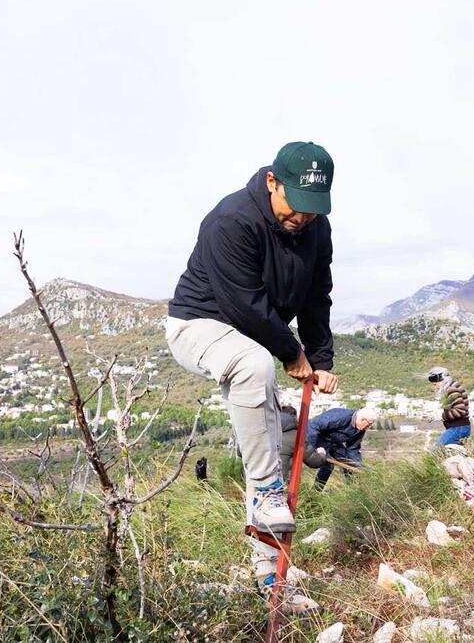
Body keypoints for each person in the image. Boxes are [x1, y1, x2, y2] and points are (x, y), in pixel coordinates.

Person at [166, 141, 339, 613]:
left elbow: (316, 297)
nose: (302, 217)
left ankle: (270, 577)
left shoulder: (315, 229)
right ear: (271, 181)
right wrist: (291, 353)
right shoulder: (232, 220)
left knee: (275, 435)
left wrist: (320, 359)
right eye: (295, 204)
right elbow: (243, 303)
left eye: (312, 209)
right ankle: (265, 492)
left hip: (255, 339)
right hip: (199, 325)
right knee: (255, 364)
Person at [305, 407, 377, 488]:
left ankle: (353, 490)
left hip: (334, 443)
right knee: (328, 465)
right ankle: (315, 492)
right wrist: (312, 447)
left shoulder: (360, 429)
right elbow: (314, 426)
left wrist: (357, 466)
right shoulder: (340, 416)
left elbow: (353, 448)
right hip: (318, 437)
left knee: (348, 462)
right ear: (362, 419)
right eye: (369, 424)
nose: (369, 427)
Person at [278, 405, 327, 483]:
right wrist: (322, 453)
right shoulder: (295, 437)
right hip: (281, 485)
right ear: (294, 418)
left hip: (257, 481)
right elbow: (315, 462)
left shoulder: (263, 430)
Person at [427, 367, 471, 446]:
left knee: (437, 450)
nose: (435, 387)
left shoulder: (451, 389)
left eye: (435, 384)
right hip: (460, 427)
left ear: (442, 380)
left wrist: (439, 416)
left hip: (458, 428)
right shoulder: (453, 386)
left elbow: (460, 411)